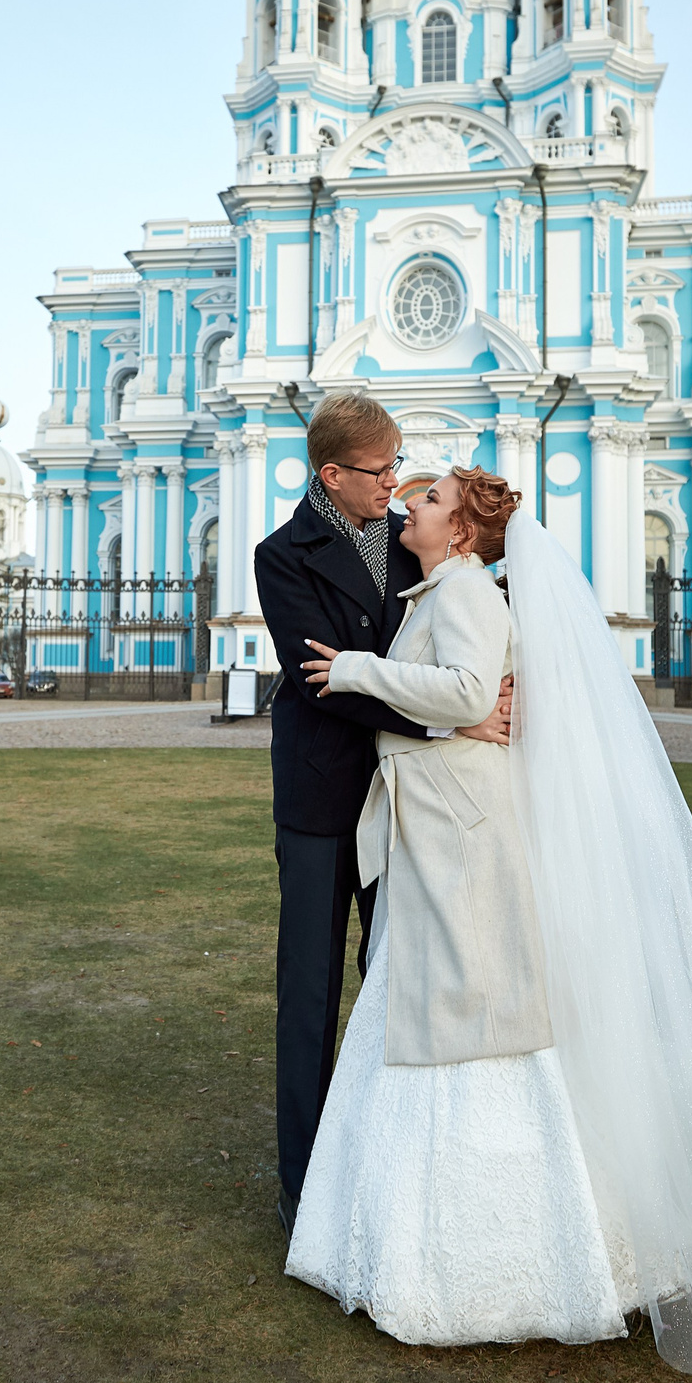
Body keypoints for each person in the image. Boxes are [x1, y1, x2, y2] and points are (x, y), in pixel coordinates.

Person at [283, 467, 692, 1375]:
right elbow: (465, 699)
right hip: (443, 815)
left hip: (462, 827)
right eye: (407, 493)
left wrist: (354, 670)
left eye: (426, 499)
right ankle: (405, 1237)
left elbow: (458, 692)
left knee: (475, 998)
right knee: (428, 995)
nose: (408, 505)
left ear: (459, 531)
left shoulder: (462, 592)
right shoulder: (445, 586)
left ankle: (508, 1256)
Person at [252, 392, 508, 1239]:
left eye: (400, 466)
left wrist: (481, 698)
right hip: (326, 800)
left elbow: (457, 629)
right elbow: (328, 683)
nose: (397, 482)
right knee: (312, 991)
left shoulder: (410, 538)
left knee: (403, 980)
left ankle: (389, 1164)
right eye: (381, 468)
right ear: (333, 474)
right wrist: (452, 716)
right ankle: (303, 1183)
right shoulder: (282, 556)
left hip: (416, 802)